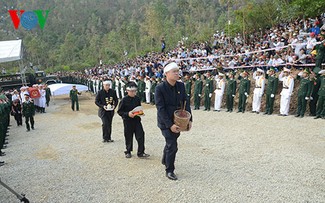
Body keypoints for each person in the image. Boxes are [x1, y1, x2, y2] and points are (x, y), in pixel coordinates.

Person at [155, 62, 192, 181]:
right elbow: (160, 109)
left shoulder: (181, 86)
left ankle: (165, 158)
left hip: (179, 120)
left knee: (172, 140)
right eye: (174, 72)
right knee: (172, 145)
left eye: (177, 71)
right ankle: (169, 170)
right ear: (166, 74)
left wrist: (189, 119)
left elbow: (185, 103)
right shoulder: (160, 88)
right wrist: (170, 125)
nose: (177, 73)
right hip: (165, 122)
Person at [117, 82, 150, 158]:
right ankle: (128, 151)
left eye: (134, 91)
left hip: (137, 120)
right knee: (128, 136)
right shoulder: (124, 100)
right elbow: (120, 111)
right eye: (131, 91)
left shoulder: (137, 99)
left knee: (140, 135)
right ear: (127, 91)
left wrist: (140, 113)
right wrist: (127, 114)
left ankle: (141, 152)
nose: (133, 93)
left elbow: (139, 108)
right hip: (127, 121)